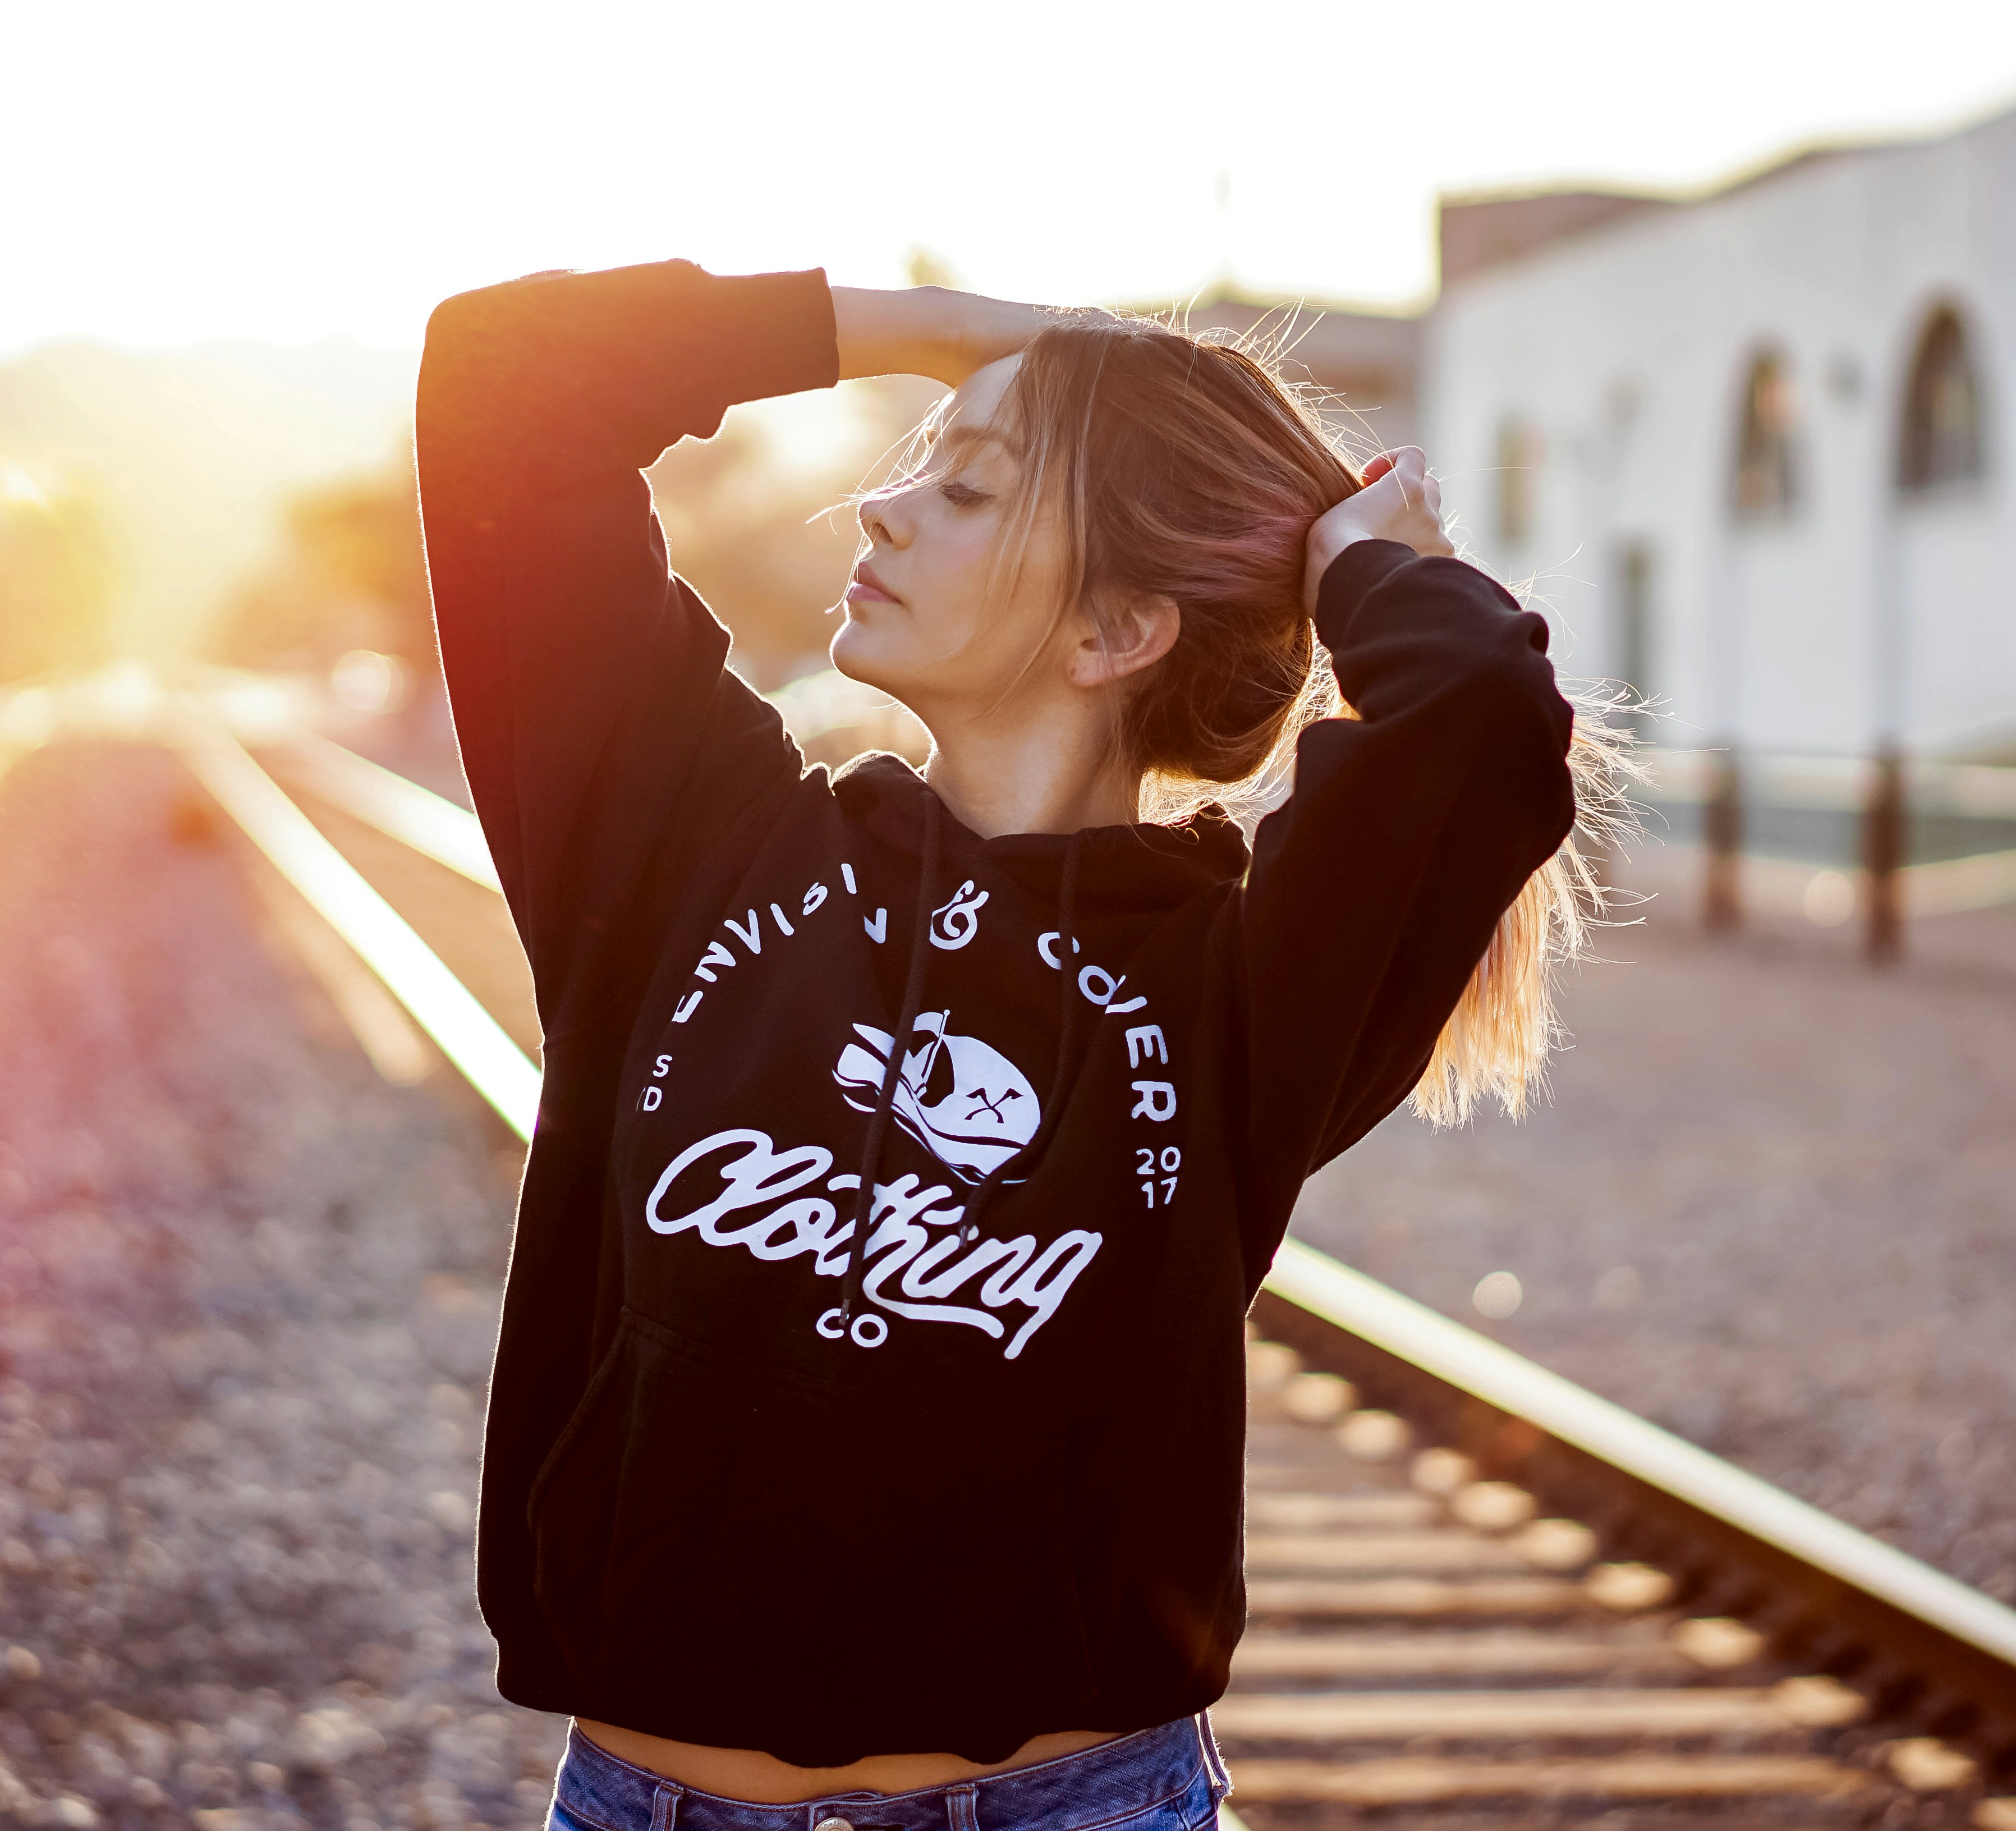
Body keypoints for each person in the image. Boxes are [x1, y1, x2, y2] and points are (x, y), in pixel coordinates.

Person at [417, 260, 1609, 1831]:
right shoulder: (682, 847)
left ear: (1118, 627)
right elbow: (506, 379)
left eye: (968, 489)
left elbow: (1476, 721)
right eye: (913, 470)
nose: (881, 512)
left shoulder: (1240, 985)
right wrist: (945, 337)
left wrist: (1363, 565)